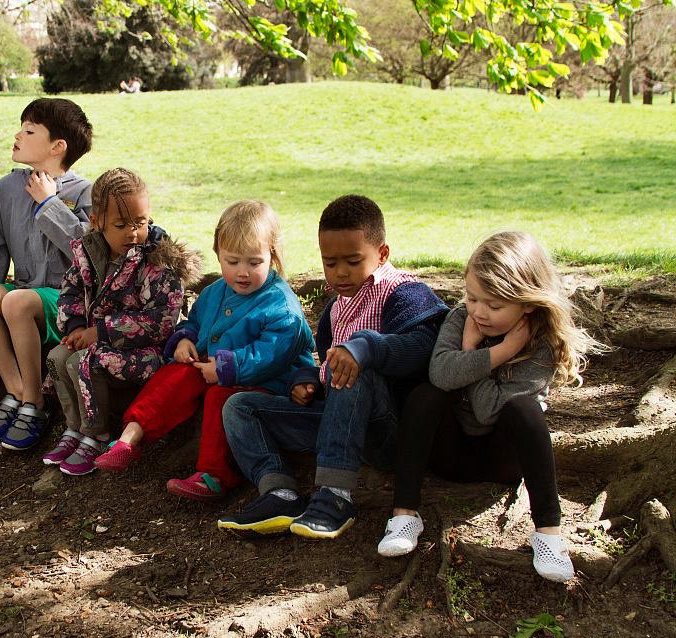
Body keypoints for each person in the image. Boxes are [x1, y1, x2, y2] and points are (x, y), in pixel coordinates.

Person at [376, 231, 602, 582]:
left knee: (524, 409)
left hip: (503, 459)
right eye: (472, 297)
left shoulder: (541, 342)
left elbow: (489, 410)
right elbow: (441, 373)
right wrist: (492, 353)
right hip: (450, 454)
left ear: (527, 302)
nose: (479, 312)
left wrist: (478, 354)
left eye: (494, 306)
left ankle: (549, 534)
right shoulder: (461, 318)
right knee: (425, 395)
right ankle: (404, 514)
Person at [217, 195, 448, 536]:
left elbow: (424, 347)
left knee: (354, 364)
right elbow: (324, 362)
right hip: (336, 422)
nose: (340, 272)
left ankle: (335, 495)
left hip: (388, 430)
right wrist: (307, 379)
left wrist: (366, 348)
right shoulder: (336, 308)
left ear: (382, 254)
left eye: (353, 261)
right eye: (330, 263)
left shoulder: (405, 294)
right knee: (240, 407)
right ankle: (279, 491)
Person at [93, 200, 315, 500]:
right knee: (175, 375)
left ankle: (214, 474)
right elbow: (195, 323)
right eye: (232, 261)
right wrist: (184, 340)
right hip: (213, 368)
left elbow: (271, 355)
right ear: (218, 254)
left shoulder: (280, 305)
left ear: (272, 257)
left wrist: (226, 369)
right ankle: (129, 438)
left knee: (222, 398)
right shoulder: (215, 292)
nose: (242, 272)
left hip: (266, 383)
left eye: (254, 262)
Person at [44, 168, 202, 475]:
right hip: (97, 341)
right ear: (96, 220)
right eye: (121, 224)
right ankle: (74, 428)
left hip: (149, 353)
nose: (133, 232)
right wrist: (75, 326)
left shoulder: (156, 261)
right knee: (57, 356)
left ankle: (96, 434)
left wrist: (100, 332)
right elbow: (71, 290)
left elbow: (162, 322)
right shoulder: (89, 252)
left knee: (83, 361)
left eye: (140, 223)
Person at [0, 98, 94, 451]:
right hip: (21, 295)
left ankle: (35, 405)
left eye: (28, 130)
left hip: (67, 302)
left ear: (58, 147)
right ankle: (18, 390)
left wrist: (47, 204)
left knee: (18, 301)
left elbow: (86, 253)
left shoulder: (84, 192)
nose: (17, 135)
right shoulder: (6, 189)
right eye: (20, 127)